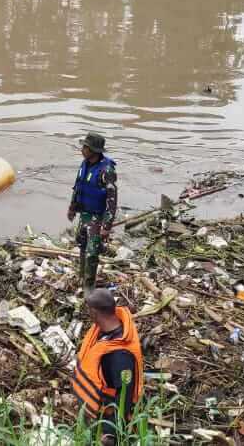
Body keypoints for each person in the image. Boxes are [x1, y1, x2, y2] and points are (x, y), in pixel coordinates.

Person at [72, 288, 144, 445]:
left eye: (88, 310)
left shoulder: (120, 356)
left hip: (107, 414)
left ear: (95, 313)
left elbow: (124, 395)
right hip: (97, 405)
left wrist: (111, 432)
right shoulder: (105, 329)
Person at [68, 133, 117, 294]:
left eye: (85, 147)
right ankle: (82, 278)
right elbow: (78, 185)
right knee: (81, 245)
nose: (82, 149)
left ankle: (88, 289)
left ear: (94, 150)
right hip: (84, 215)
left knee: (92, 253)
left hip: (97, 217)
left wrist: (107, 226)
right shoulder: (85, 164)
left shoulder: (106, 170)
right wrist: (72, 207)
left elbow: (112, 199)